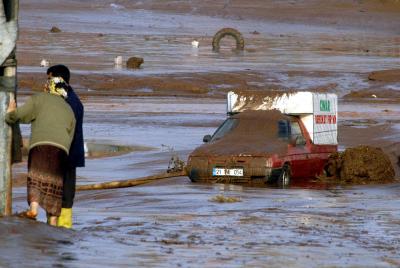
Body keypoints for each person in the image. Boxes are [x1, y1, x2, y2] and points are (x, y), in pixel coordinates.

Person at [6, 77, 76, 226]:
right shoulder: (69, 109)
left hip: (41, 145)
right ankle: (52, 219)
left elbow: (22, 115)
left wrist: (11, 113)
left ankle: (33, 209)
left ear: (48, 87)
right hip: (61, 150)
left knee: (36, 178)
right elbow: (70, 136)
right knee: (54, 184)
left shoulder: (39, 98)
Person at [46, 65, 85, 229]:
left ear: (57, 80)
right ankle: (57, 229)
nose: (47, 83)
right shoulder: (65, 98)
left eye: (49, 79)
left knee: (64, 197)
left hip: (66, 155)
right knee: (57, 196)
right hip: (63, 154)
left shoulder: (70, 100)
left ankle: (62, 229)